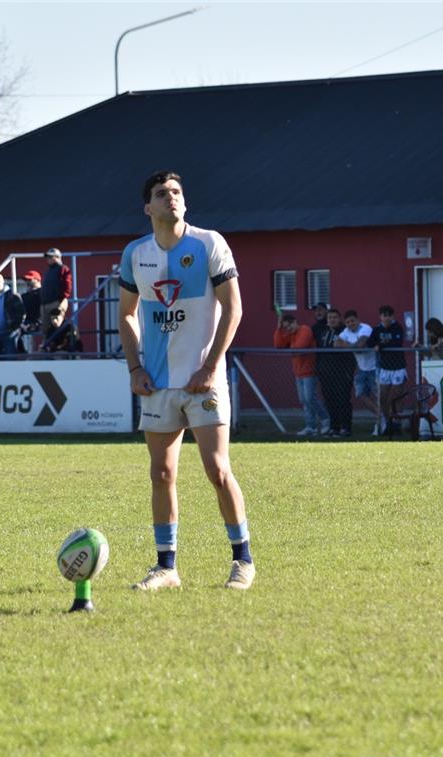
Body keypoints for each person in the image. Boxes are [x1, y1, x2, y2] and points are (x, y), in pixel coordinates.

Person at [117, 170, 254, 591]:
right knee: (161, 474)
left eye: (176, 192)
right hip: (158, 384)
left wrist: (211, 367)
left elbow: (234, 310)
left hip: (204, 381)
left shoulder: (209, 243)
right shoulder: (135, 253)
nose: (171, 198)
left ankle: (243, 560)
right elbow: (125, 313)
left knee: (217, 469)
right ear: (148, 207)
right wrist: (136, 369)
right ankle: (166, 568)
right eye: (162, 194)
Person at [274, 312, 329, 436]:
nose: (288, 328)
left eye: (290, 325)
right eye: (286, 327)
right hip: (298, 372)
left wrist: (289, 343)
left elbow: (299, 347)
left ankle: (325, 419)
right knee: (304, 400)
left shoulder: (305, 330)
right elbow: (278, 344)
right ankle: (311, 427)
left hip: (310, 371)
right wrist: (279, 328)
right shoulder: (290, 334)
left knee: (310, 398)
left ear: (295, 322)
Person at [336, 310, 382, 432]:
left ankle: (385, 421)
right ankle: (381, 415)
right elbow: (336, 343)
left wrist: (348, 346)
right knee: (360, 394)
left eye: (352, 321)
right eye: (347, 322)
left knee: (379, 396)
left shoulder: (365, 328)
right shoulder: (346, 331)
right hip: (361, 369)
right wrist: (353, 347)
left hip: (374, 368)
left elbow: (361, 344)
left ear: (358, 320)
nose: (350, 324)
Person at [367, 304, 407, 435]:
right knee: (383, 397)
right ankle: (387, 421)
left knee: (395, 397)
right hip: (384, 368)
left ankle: (397, 422)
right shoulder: (377, 329)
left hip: (398, 367)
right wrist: (377, 344)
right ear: (380, 317)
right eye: (384, 315)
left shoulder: (397, 328)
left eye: (389, 315)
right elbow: (370, 343)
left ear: (392, 316)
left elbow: (396, 342)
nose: (387, 318)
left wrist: (380, 345)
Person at [315, 308, 353, 436]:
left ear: (339, 319)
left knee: (342, 399)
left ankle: (345, 427)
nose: (332, 320)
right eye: (330, 317)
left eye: (335, 317)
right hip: (325, 371)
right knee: (329, 400)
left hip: (342, 371)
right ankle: (334, 427)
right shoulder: (323, 331)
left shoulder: (345, 331)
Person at [40, 247, 72, 341]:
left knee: (57, 327)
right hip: (45, 304)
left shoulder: (63, 269)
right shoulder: (49, 271)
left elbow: (67, 286)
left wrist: (62, 300)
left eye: (50, 257)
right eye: (48, 257)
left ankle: (60, 349)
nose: (48, 259)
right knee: (46, 330)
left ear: (57, 257)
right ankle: (47, 350)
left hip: (56, 302)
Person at [18, 269, 43, 353]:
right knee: (13, 330)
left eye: (30, 279)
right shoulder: (24, 296)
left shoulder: (43, 293)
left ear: (37, 280)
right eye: (26, 280)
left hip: (40, 322)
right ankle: (20, 353)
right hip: (27, 322)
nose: (27, 282)